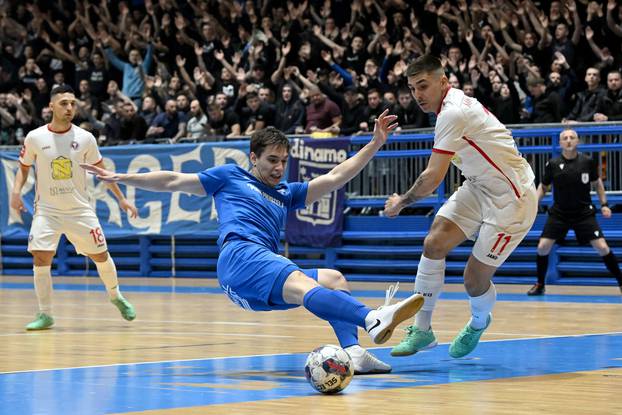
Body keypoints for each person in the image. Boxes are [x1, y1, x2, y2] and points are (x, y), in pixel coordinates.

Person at [82, 115, 424, 375]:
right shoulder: (229, 177)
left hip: (256, 274)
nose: (278, 167)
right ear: (253, 158)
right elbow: (172, 180)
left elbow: (336, 177)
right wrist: (123, 177)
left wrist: (376, 142)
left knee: (333, 279)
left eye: (283, 160)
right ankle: (371, 317)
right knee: (305, 282)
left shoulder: (287, 193)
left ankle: (353, 353)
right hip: (240, 256)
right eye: (271, 160)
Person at [383, 55, 538, 359]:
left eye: (423, 86)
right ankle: (423, 330)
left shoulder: (452, 113)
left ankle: (479, 322)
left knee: (473, 280)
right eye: (413, 88)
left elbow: (431, 179)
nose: (418, 95)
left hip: (513, 200)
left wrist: (401, 201)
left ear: (443, 82)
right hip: (479, 186)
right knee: (434, 243)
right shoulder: (449, 107)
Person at [10, 85, 138, 331]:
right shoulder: (35, 137)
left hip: (80, 210)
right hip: (47, 211)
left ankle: (116, 296)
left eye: (72, 103)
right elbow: (24, 168)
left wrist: (121, 199)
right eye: (64, 103)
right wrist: (16, 194)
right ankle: (45, 314)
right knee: (40, 256)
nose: (69, 108)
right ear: (51, 106)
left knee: (100, 255)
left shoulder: (85, 138)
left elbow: (102, 172)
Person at [527, 129, 622, 295]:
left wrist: (604, 204)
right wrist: (533, 205)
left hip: (583, 213)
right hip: (559, 214)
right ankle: (540, 284)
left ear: (578, 141)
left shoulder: (587, 162)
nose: (569, 140)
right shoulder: (553, 164)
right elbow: (543, 187)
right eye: (565, 138)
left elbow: (598, 184)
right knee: (542, 247)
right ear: (560, 143)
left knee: (602, 247)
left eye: (572, 137)